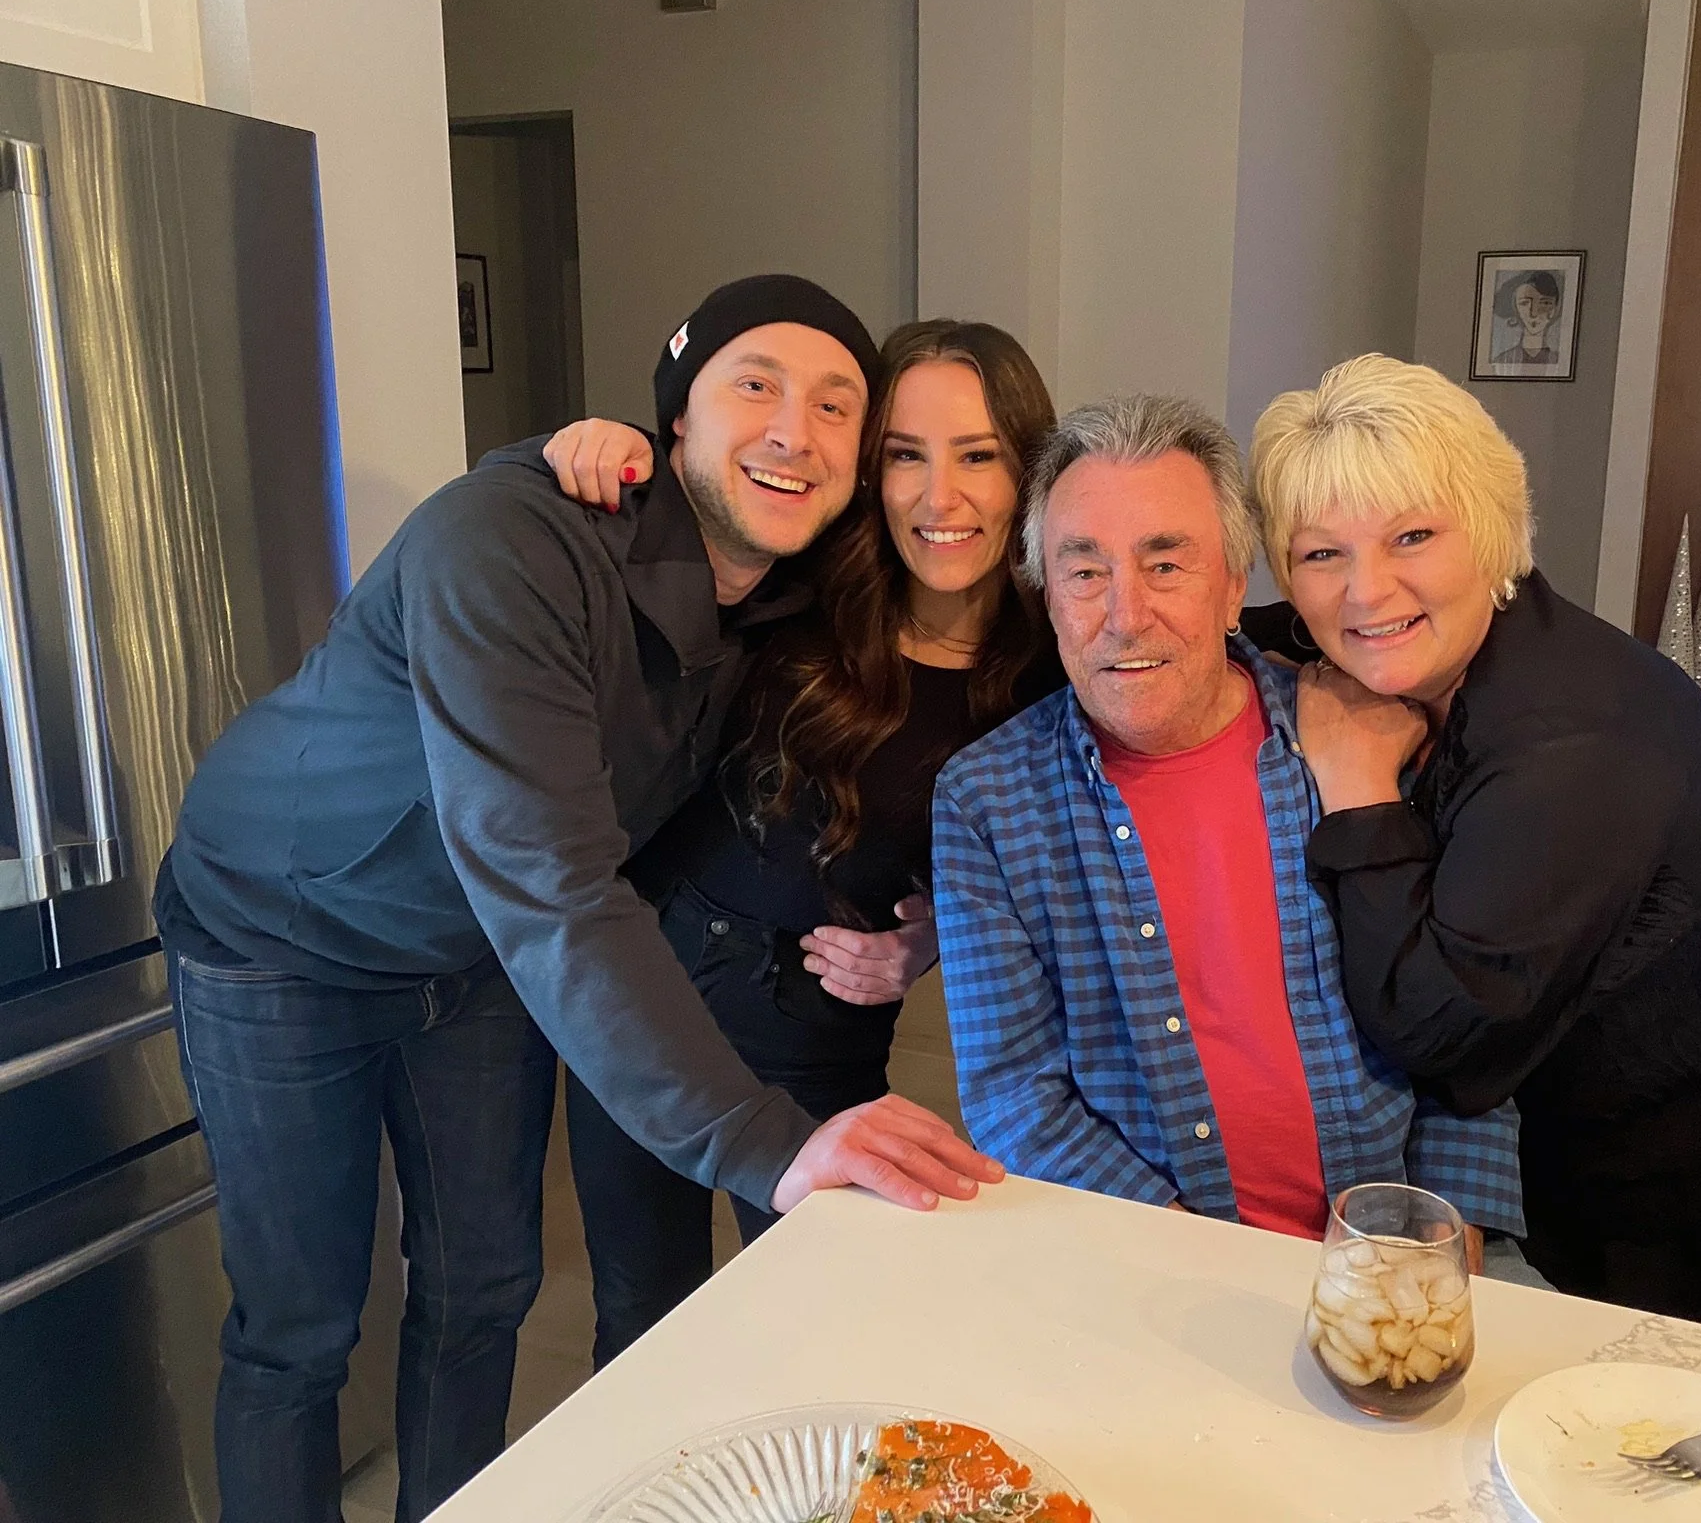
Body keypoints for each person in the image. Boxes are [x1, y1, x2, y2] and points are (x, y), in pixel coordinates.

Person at [153, 275, 1001, 1523]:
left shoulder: (788, 587)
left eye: (835, 406)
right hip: (281, 938)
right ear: (676, 418)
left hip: (478, 957)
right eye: (754, 385)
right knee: (300, 1327)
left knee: (483, 1288)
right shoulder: (508, 542)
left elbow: (912, 699)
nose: (793, 430)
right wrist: (765, 1143)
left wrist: (926, 932)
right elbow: (549, 881)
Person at [1246, 352, 1701, 1329]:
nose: (1365, 591)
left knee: (1621, 1387)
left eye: (1412, 536)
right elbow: (1268, 627)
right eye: (1322, 554)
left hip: (1697, 1128)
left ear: (1491, 533)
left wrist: (1355, 784)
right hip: (1577, 1083)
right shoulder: (1455, 640)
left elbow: (1443, 1032)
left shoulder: (1567, 736)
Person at [533, 319, 1061, 1365]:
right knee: (642, 1320)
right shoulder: (800, 574)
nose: (938, 497)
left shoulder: (1051, 665)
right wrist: (613, 448)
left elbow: (1053, 867)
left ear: (1028, 473)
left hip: (816, 1016)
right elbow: (695, 498)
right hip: (649, 977)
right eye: (904, 455)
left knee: (831, 1332)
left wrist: (936, 938)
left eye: (977, 456)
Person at [931, 393, 1525, 1258]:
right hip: (1144, 1258)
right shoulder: (986, 799)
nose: (1125, 615)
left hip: (1404, 1252)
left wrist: (1442, 1235)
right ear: (1048, 596)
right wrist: (1203, 1262)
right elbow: (1015, 1097)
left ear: (1233, 585)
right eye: (1085, 572)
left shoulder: (1368, 736)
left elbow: (1467, 1027)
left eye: (1166, 565)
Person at [1493, 271, 1561, 365]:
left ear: (1555, 308)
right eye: (1524, 303)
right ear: (1515, 308)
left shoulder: (1560, 360)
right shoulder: (1502, 361)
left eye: (1545, 303)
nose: (1533, 313)